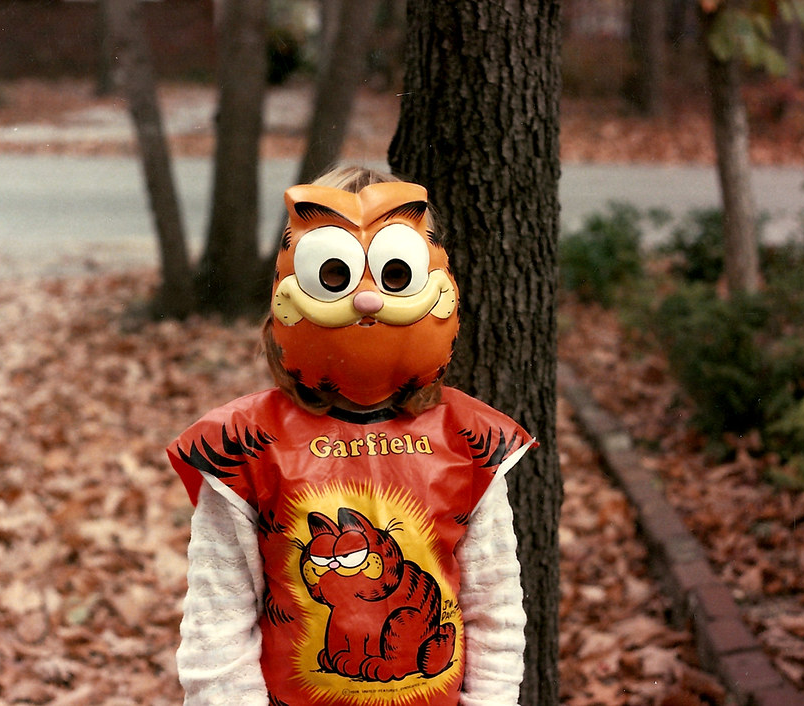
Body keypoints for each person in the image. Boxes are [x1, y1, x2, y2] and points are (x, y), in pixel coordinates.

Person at [167, 165, 536, 706]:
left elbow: (493, 608)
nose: (366, 300)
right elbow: (217, 623)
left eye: (393, 275)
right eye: (336, 275)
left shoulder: (467, 440)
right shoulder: (247, 446)